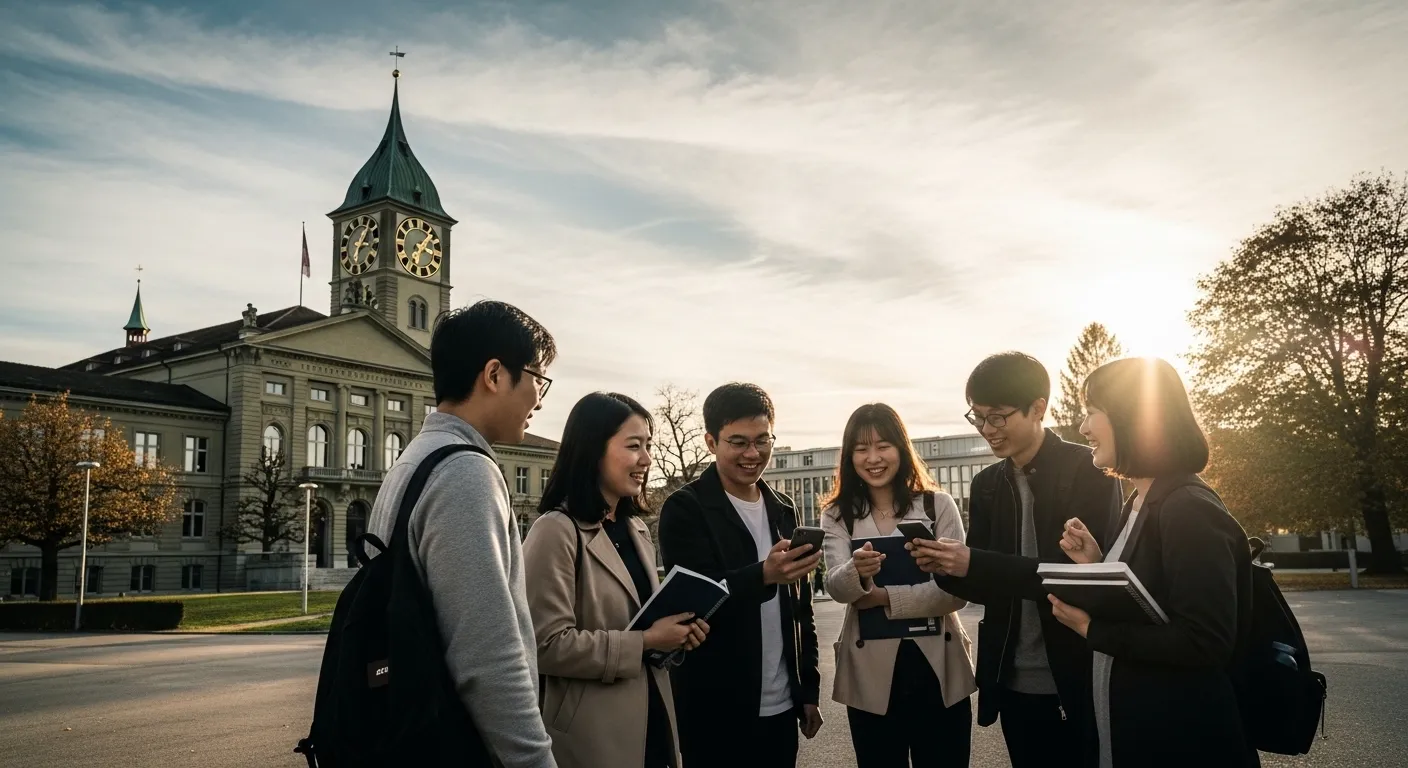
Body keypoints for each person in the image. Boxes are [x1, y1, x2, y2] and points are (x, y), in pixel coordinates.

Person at [365, 300, 558, 767]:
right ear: (494, 375)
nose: (539, 399)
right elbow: (488, 657)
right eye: (538, 378)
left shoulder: (417, 458)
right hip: (456, 742)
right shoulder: (465, 472)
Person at [909, 351, 1122, 768]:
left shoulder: (1090, 469)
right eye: (978, 417)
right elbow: (985, 585)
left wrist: (973, 563)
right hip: (1012, 679)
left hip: (1078, 669)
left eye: (998, 417)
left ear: (1038, 408)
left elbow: (1079, 578)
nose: (987, 429)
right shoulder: (987, 484)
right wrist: (943, 567)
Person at [1048, 358, 1257, 767]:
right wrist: (1096, 563)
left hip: (1180, 739)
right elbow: (1150, 599)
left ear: (1133, 418)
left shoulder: (1187, 508)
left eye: (1092, 412)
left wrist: (1091, 629)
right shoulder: (1139, 500)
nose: (1083, 427)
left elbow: (1205, 641)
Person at [524, 393, 709, 768]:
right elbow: (544, 646)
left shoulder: (636, 529)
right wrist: (646, 641)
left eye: (648, 445)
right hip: (593, 737)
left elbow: (642, 625)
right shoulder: (555, 531)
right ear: (593, 450)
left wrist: (675, 638)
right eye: (634, 446)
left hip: (653, 721)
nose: (647, 459)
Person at [657, 383, 823, 768]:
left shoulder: (783, 508)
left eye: (763, 440)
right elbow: (692, 606)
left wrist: (807, 689)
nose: (753, 453)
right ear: (710, 442)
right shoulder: (685, 509)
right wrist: (764, 574)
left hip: (782, 708)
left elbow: (801, 610)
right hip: (715, 709)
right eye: (739, 442)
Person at [821, 404, 976, 768]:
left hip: (938, 668)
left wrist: (882, 597)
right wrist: (856, 571)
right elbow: (837, 587)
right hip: (870, 674)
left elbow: (955, 591)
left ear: (901, 449)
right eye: (861, 448)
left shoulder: (938, 505)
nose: (873, 458)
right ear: (849, 456)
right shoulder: (837, 514)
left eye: (883, 445)